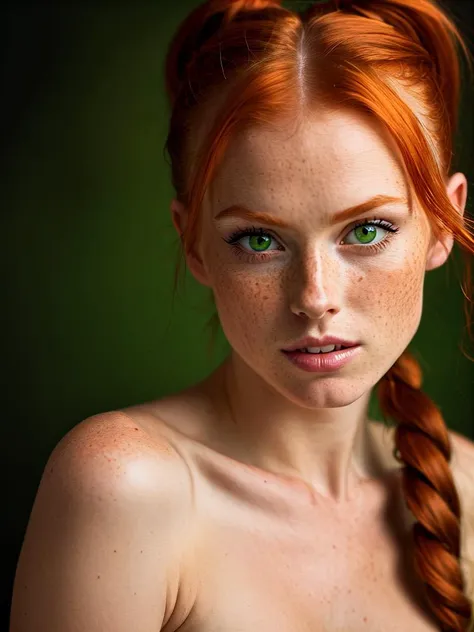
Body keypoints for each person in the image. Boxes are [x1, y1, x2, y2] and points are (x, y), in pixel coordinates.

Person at [9, 0, 474, 631]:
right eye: (259, 240)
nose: (314, 296)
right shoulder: (126, 490)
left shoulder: (467, 492)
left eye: (367, 230)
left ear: (443, 226)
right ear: (193, 242)